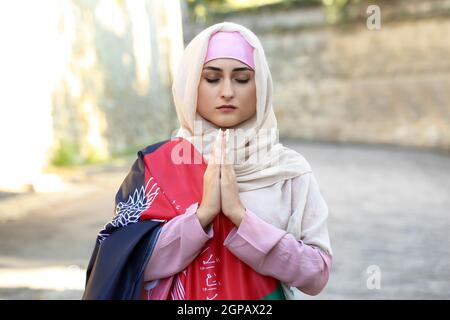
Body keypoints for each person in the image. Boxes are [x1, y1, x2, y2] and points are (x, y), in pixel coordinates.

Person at [83, 22, 332, 300]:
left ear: (260, 86)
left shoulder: (288, 171)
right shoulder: (156, 166)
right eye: (212, 79)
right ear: (191, 85)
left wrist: (241, 217)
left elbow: (316, 275)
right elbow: (126, 263)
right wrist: (202, 216)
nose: (227, 91)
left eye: (242, 79)